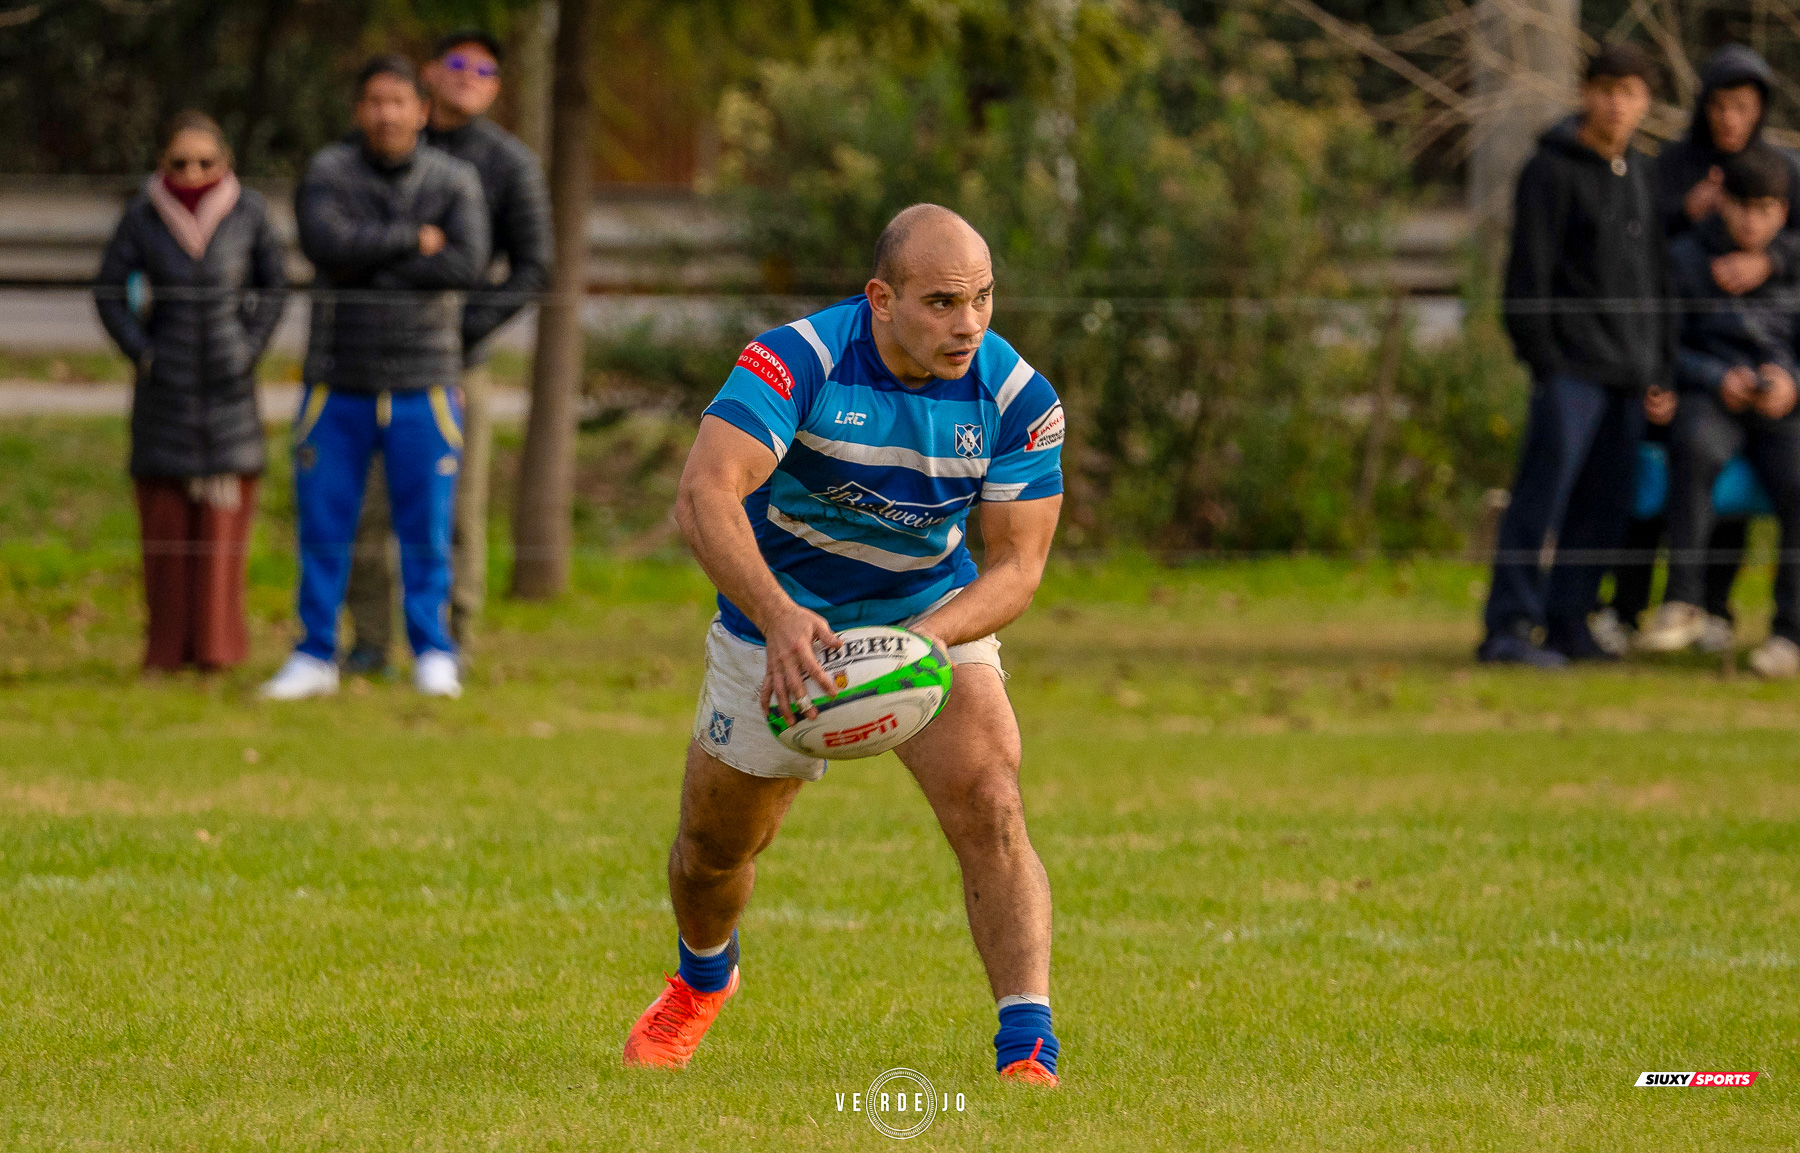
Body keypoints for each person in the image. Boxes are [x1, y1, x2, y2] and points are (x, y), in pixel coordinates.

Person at [621, 205, 1067, 1086]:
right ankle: (703, 977)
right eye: (942, 301)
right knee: (713, 852)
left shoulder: (1017, 399)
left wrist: (926, 641)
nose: (968, 323)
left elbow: (1018, 567)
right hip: (777, 622)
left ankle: (1028, 1048)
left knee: (992, 796)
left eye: (981, 298)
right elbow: (706, 494)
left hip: (922, 608)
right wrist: (781, 615)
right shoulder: (797, 360)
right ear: (881, 299)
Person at [259, 55, 490, 700]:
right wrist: (412, 242)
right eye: (375, 101)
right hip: (338, 380)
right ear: (360, 110)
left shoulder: (455, 178)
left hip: (427, 380)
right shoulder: (328, 172)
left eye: (399, 101)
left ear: (421, 109)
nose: (387, 113)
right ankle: (313, 653)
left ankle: (433, 651)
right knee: (325, 525)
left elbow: (467, 263)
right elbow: (324, 247)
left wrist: (368, 259)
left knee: (429, 527)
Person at [342, 29, 552, 674]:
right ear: (429, 75)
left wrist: (462, 331)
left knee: (457, 510)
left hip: (457, 362)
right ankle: (371, 642)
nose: (468, 76)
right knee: (370, 506)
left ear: (496, 88)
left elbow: (532, 265)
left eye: (484, 70)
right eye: (456, 64)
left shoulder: (508, 163)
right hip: (375, 359)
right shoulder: (380, 145)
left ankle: (449, 644)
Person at [1478, 42, 1673, 667]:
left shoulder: (1644, 174)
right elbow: (1526, 277)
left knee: (1604, 506)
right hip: (1570, 371)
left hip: (1629, 372)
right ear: (1586, 93)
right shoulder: (1551, 169)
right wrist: (1545, 359)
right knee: (1543, 497)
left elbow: (1655, 280)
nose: (1618, 104)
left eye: (1631, 92)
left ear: (1646, 103)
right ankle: (1509, 628)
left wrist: (1658, 366)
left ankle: (1570, 622)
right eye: (1607, 89)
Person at [94, 110, 288, 673]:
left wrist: (247, 346)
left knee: (223, 535)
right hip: (165, 393)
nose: (193, 172)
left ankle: (219, 651)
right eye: (180, 163)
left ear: (224, 163)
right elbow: (108, 288)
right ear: (162, 164)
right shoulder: (143, 215)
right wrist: (144, 351)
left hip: (230, 395)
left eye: (205, 162)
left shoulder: (248, 212)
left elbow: (275, 284)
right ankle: (165, 652)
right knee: (166, 532)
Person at [1637, 145, 1800, 677]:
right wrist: (1713, 378)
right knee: (1696, 448)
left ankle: (1790, 634)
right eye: (1742, 206)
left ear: (1783, 211)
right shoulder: (1685, 258)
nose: (1753, 222)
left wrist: (1791, 381)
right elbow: (1663, 345)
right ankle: (1684, 601)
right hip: (1711, 395)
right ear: (1721, 202)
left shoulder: (1790, 263)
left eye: (1766, 210)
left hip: (1779, 405)